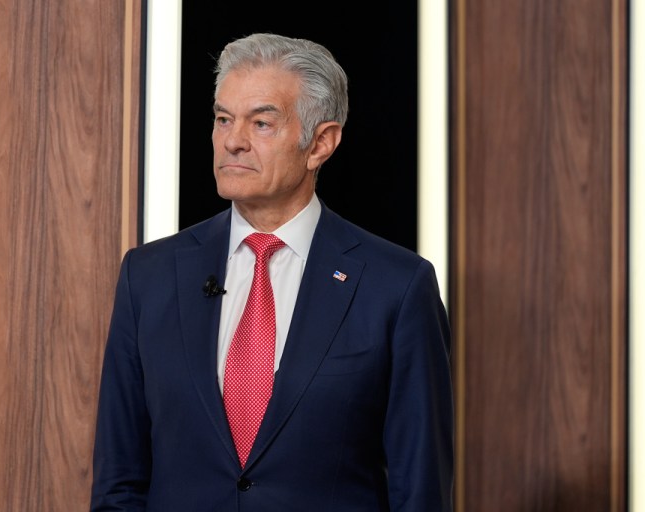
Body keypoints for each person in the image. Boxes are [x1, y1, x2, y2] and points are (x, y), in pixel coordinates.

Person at [90, 32, 453, 511]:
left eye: (261, 123)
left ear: (320, 143)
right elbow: (119, 480)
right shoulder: (149, 276)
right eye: (223, 119)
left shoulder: (397, 287)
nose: (233, 140)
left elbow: (420, 490)